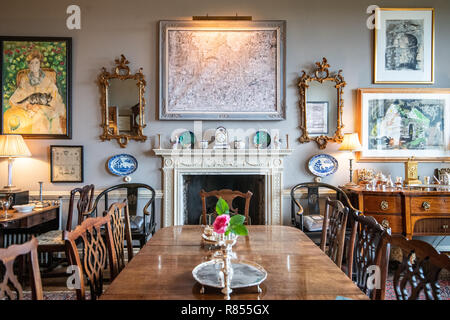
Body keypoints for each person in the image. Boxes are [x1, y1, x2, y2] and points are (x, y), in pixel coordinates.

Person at [3, 49, 66, 134]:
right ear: (29, 65)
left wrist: (40, 107)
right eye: (31, 63)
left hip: (45, 108)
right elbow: (17, 97)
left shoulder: (47, 80)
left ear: (40, 64)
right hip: (28, 109)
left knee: (41, 118)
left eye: (36, 62)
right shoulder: (24, 80)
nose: (34, 66)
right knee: (8, 116)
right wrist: (28, 105)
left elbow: (55, 97)